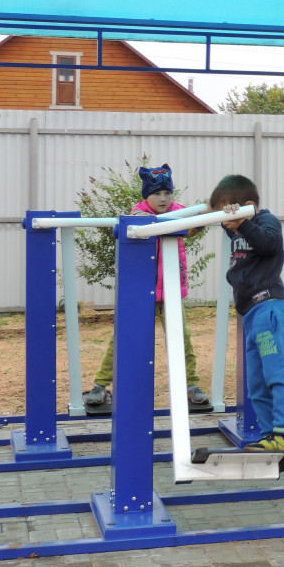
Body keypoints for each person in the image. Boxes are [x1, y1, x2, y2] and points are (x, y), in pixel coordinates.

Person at [83, 164, 210, 412]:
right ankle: (100, 383)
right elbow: (137, 223)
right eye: (157, 193)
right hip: (141, 292)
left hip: (171, 290)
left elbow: (193, 227)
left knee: (182, 339)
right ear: (146, 195)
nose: (163, 199)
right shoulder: (138, 212)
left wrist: (205, 212)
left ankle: (191, 384)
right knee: (122, 337)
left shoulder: (180, 212)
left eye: (167, 193)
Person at [212, 174, 284, 469]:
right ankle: (268, 436)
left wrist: (244, 222)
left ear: (247, 206)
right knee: (256, 383)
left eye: (229, 214)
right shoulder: (237, 230)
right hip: (250, 314)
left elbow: (270, 245)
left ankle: (283, 435)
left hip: (268, 306)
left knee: (275, 373)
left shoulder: (265, 222)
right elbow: (213, 212)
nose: (226, 222)